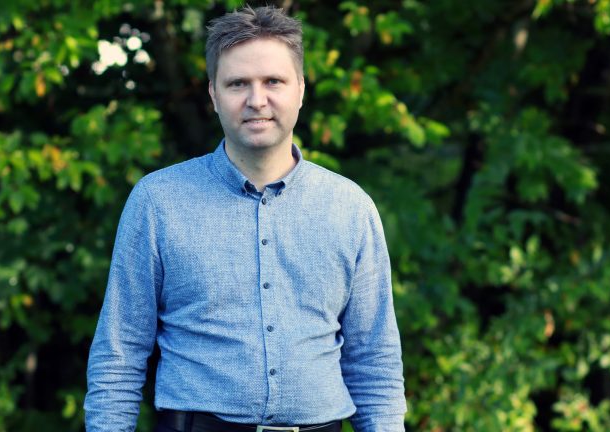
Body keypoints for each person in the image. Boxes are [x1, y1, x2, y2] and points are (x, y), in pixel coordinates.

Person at [85, 5, 406, 432]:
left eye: (273, 81)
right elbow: (119, 354)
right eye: (238, 83)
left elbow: (375, 363)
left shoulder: (351, 209)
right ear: (214, 95)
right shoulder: (158, 202)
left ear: (300, 90)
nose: (257, 100)